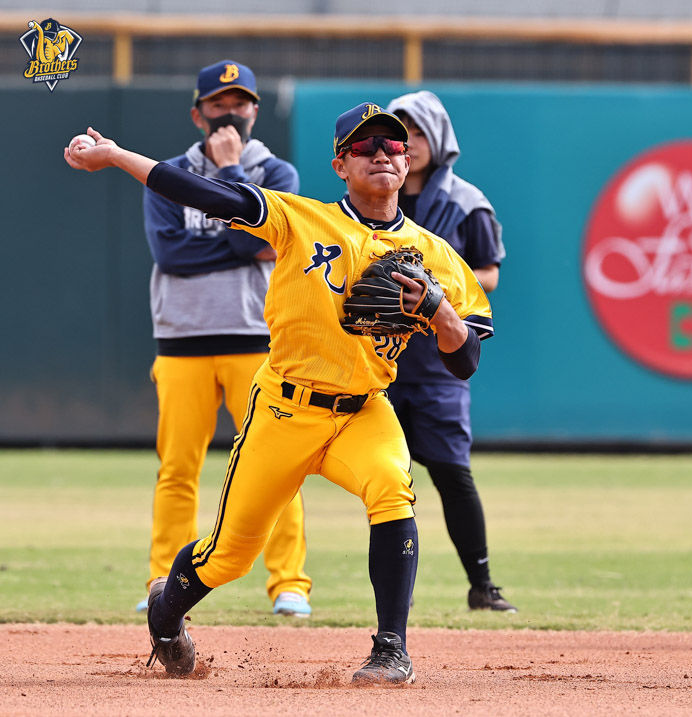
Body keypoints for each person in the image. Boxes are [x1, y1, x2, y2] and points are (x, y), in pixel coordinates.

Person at [65, 101, 493, 682]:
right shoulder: (299, 218)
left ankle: (391, 648)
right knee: (229, 556)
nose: (382, 155)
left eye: (392, 145)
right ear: (340, 164)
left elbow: (465, 360)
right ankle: (166, 614)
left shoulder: (437, 257)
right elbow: (204, 194)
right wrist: (116, 156)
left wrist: (442, 313)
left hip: (364, 411)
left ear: (410, 156)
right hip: (284, 409)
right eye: (364, 147)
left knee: (393, 489)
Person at [135, 60, 313, 620]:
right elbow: (171, 253)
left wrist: (234, 172)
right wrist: (242, 240)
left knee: (278, 466)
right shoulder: (166, 174)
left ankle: (289, 584)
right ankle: (163, 579)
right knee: (177, 468)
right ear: (197, 113)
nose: (229, 113)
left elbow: (269, 245)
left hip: (255, 338)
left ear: (256, 111)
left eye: (240, 103)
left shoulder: (277, 174)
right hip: (181, 338)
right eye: (218, 104)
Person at [384, 90, 514, 612]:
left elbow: (490, 274)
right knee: (387, 481)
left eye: (416, 133)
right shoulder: (371, 198)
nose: (407, 144)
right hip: (381, 360)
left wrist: (436, 283)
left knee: (452, 473)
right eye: (398, 135)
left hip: (439, 359)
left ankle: (481, 585)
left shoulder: (465, 202)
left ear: (436, 139)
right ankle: (394, 597)